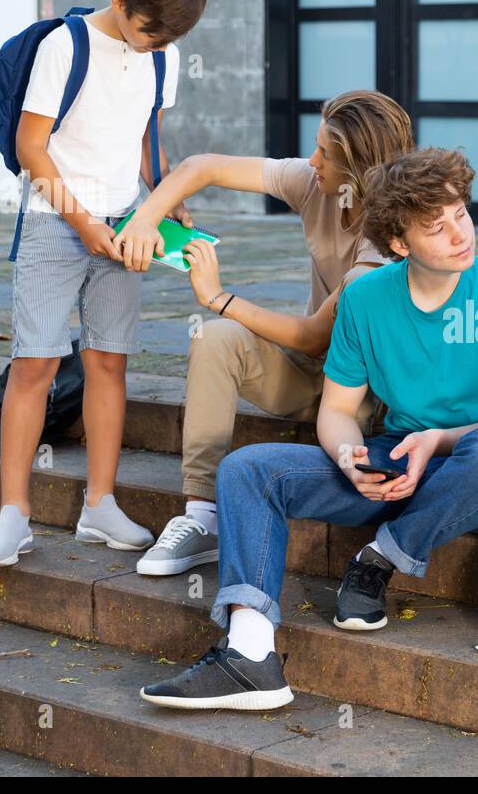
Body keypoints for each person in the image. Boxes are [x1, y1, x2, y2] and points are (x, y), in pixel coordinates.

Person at [140, 147, 478, 710]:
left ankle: (380, 558)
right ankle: (249, 652)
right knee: (247, 470)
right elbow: (336, 410)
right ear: (400, 245)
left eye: (461, 214)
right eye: (437, 227)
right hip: (393, 465)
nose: (460, 234)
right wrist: (350, 459)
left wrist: (434, 440)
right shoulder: (365, 298)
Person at [111, 90, 413, 576]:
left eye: (326, 155)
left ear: (360, 172)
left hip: (366, 399)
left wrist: (219, 298)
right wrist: (149, 217)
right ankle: (201, 515)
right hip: (313, 378)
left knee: (220, 320)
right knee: (215, 340)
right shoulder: (317, 184)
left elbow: (316, 335)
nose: (312, 161)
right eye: (315, 147)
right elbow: (204, 165)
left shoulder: (387, 243)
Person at [0, 0, 206, 567]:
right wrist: (82, 224)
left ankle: (99, 506)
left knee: (109, 362)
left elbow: (145, 135)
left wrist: (162, 196)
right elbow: (31, 149)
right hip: (56, 220)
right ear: (117, 0)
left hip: (125, 221)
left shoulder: (162, 52)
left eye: (165, 40)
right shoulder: (65, 45)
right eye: (146, 32)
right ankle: (13, 516)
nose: (153, 46)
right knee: (36, 364)